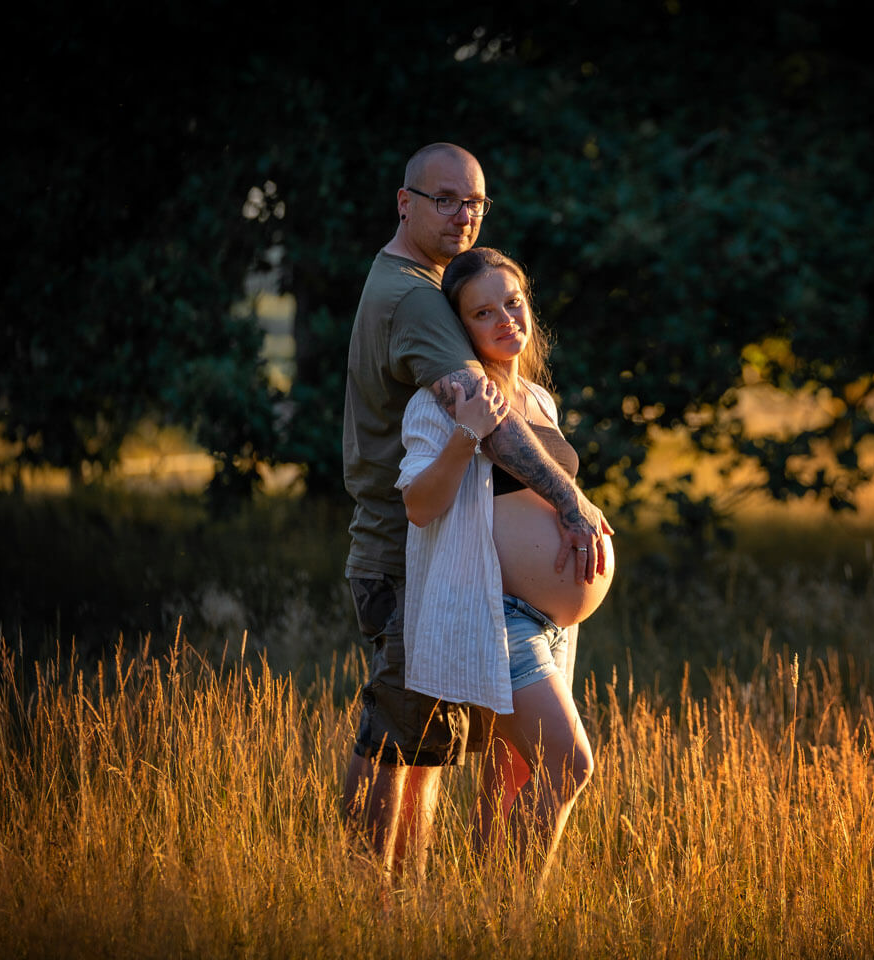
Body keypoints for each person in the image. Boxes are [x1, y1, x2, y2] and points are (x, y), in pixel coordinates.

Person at [340, 143, 611, 878]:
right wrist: (572, 501)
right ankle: (372, 905)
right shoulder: (416, 296)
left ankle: (419, 899)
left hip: (476, 584)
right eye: (445, 199)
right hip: (408, 558)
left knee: (427, 751)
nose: (462, 215)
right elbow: (478, 417)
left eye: (476, 203)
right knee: (395, 744)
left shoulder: (424, 285)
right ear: (406, 202)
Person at [397, 247, 614, 876]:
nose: (504, 320)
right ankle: (499, 912)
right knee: (570, 764)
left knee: (513, 778)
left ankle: (497, 923)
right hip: (500, 618)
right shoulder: (441, 402)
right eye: (482, 312)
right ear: (458, 328)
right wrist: (467, 433)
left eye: (513, 303)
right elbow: (417, 505)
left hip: (552, 625)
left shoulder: (539, 402)